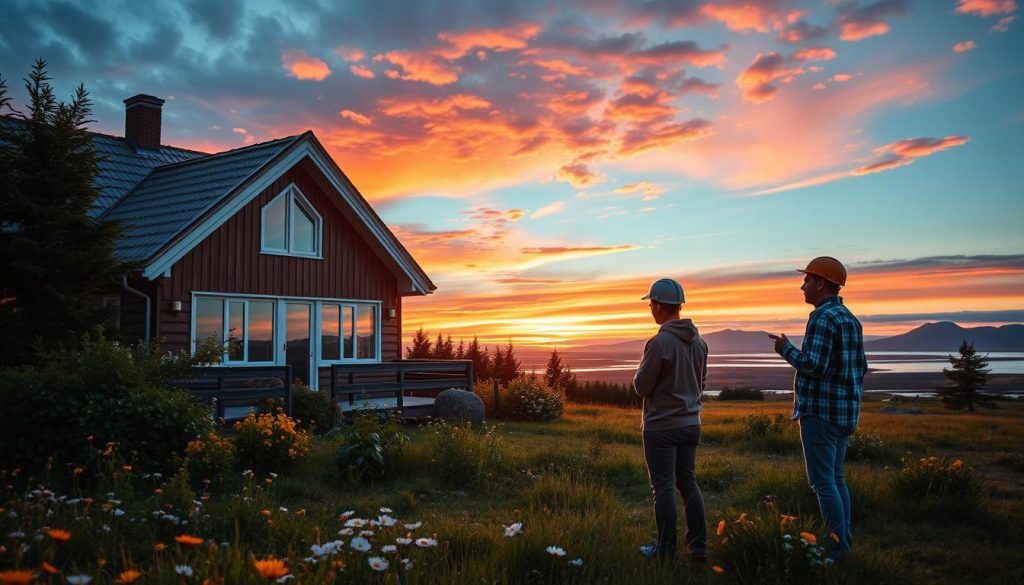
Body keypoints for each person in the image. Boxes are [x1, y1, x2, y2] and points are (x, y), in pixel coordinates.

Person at [769, 256, 866, 556]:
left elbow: (815, 365)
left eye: (808, 280)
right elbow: (861, 366)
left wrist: (785, 349)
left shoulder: (822, 319)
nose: (803, 286)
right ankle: (844, 541)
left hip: (820, 414)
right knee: (836, 478)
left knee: (823, 484)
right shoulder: (850, 318)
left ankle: (835, 551)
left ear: (821, 283)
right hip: (845, 413)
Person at [633, 278, 708, 561]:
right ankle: (699, 545)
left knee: (663, 486)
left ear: (658, 306)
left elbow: (642, 386)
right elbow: (701, 384)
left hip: (661, 427)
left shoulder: (658, 343)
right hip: (691, 424)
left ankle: (665, 549)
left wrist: (636, 375)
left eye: (651, 304)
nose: (651, 309)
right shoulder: (700, 343)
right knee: (687, 482)